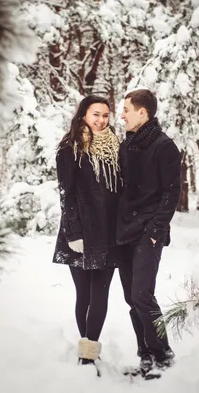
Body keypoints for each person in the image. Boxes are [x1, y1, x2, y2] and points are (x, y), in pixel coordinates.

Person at [116, 88, 182, 379]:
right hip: (125, 231)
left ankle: (163, 355)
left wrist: (156, 230)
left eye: (126, 110)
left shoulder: (164, 145)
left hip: (148, 232)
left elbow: (172, 192)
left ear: (143, 112)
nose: (122, 115)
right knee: (132, 298)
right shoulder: (127, 144)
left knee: (143, 296)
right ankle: (146, 356)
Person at [53, 95, 121, 371]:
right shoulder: (69, 149)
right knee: (84, 293)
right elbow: (66, 194)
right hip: (79, 232)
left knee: (101, 294)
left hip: (109, 232)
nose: (101, 120)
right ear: (83, 115)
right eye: (96, 114)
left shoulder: (117, 147)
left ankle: (89, 350)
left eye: (106, 115)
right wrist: (73, 233)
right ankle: (86, 350)